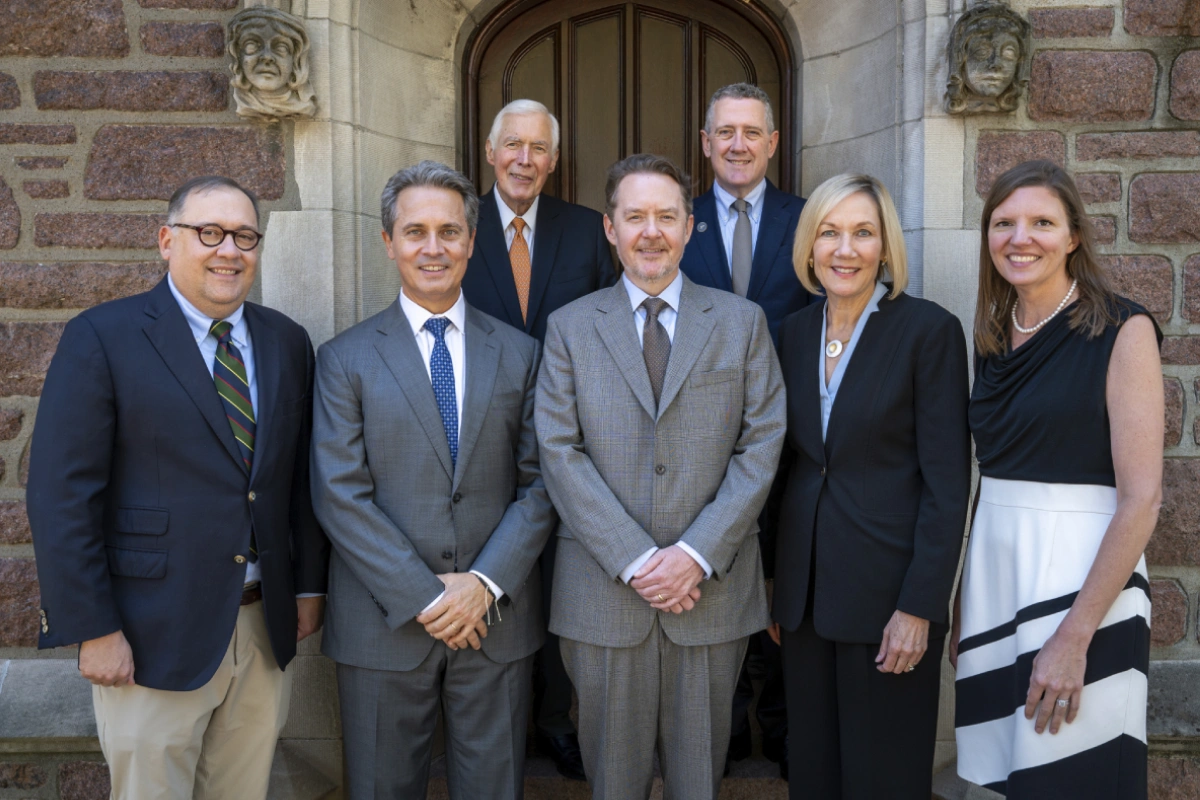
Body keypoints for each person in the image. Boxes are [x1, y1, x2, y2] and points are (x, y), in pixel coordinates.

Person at [27, 175, 329, 800]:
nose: (230, 250)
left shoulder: (286, 342)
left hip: (259, 632)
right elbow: (62, 497)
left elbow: (297, 480)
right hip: (147, 638)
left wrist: (306, 587)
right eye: (209, 233)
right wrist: (92, 627)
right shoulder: (102, 337)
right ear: (167, 240)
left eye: (245, 236)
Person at [536, 153, 786, 800]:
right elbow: (559, 451)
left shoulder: (741, 323)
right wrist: (638, 558)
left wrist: (696, 555)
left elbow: (761, 445)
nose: (652, 231)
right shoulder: (567, 329)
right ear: (610, 228)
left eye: (667, 216)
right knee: (611, 782)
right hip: (601, 594)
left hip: (711, 594)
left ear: (689, 225)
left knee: (699, 781)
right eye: (635, 216)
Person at [310, 160, 555, 800]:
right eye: (414, 231)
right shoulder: (344, 359)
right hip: (383, 626)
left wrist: (482, 585)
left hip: (494, 619)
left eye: (449, 231)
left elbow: (540, 484)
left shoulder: (522, 354)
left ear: (472, 242)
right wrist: (427, 597)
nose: (433, 247)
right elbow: (340, 495)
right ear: (388, 242)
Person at [953, 160, 1161, 799]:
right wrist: (964, 599)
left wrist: (1075, 637)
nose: (1021, 238)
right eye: (1004, 223)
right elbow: (987, 481)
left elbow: (1142, 498)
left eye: (1042, 222)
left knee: (1073, 776)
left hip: (1084, 585)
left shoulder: (1122, 330)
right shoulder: (990, 337)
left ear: (1073, 236)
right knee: (1002, 775)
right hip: (997, 577)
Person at [768, 173, 971, 800]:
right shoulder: (792, 334)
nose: (844, 249)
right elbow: (788, 466)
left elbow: (947, 486)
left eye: (862, 233)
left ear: (885, 248)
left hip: (889, 603)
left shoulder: (927, 332)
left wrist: (920, 607)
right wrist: (776, 578)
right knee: (815, 774)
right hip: (803, 599)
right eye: (829, 233)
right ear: (809, 247)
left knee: (882, 779)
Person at [460, 97, 616, 780]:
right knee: (483, 570)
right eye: (513, 146)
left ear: (555, 160)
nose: (526, 159)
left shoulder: (586, 232)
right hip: (471, 437)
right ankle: (494, 722)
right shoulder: (454, 228)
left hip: (572, 438)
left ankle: (553, 720)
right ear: (491, 153)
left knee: (557, 580)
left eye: (540, 149)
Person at [679, 81, 811, 772]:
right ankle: (723, 731)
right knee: (713, 578)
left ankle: (783, 729)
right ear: (706, 144)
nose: (737, 144)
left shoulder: (808, 220)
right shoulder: (679, 219)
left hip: (789, 436)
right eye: (724, 132)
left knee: (783, 579)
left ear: (772, 143)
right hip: (693, 442)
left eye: (750, 132)